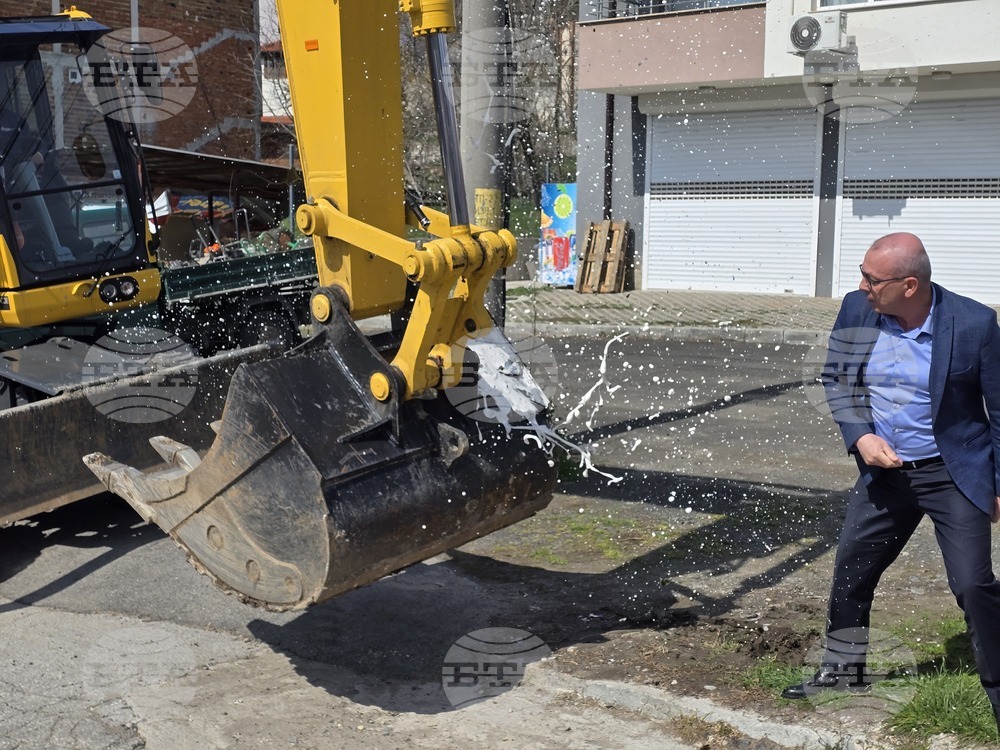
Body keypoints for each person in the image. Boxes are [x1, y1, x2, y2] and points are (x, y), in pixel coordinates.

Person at [781, 232, 1000, 732]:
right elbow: (837, 378)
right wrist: (860, 436)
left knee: (973, 584)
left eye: (872, 279)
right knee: (852, 571)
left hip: (952, 475)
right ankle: (843, 672)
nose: (862, 286)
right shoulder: (858, 310)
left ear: (909, 285)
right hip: (885, 476)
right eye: (862, 275)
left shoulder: (975, 323)